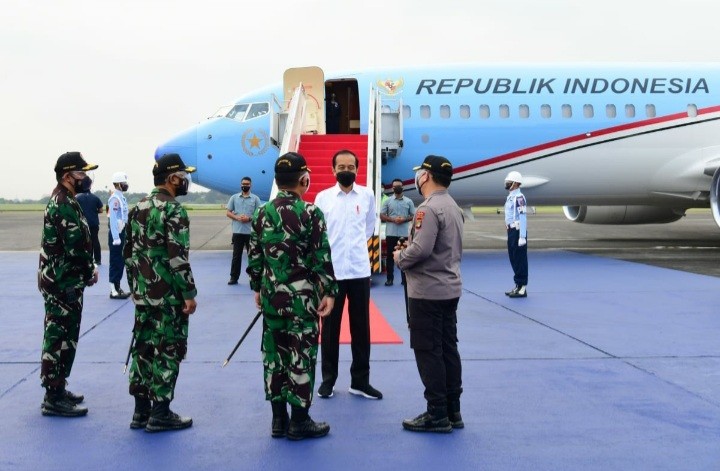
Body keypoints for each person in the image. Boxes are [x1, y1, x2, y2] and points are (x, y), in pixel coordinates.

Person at [247, 152, 338, 440]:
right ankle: (300, 421)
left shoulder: (261, 213)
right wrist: (330, 292)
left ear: (276, 180)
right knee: (301, 356)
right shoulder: (310, 213)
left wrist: (258, 289)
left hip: (272, 299)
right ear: (304, 179)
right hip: (303, 302)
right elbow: (321, 257)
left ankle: (278, 420)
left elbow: (254, 258)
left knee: (275, 356)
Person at [123, 153, 198, 433]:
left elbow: (128, 253)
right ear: (172, 179)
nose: (185, 180)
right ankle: (161, 412)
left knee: (143, 349)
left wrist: (135, 289)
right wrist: (188, 292)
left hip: (144, 294)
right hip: (168, 296)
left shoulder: (138, 207)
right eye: (183, 175)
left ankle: (140, 412)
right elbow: (177, 257)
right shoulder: (174, 210)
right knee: (168, 349)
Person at [394, 155, 464, 433]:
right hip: (449, 287)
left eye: (420, 173)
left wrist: (401, 256)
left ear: (427, 176)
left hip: (427, 291)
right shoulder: (453, 206)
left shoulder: (429, 209)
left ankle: (436, 413)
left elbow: (421, 250)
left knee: (428, 351)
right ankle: (452, 409)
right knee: (448, 348)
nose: (418, 178)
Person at [314, 149, 382, 400]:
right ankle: (328, 381)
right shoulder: (323, 198)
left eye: (350, 166)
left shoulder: (367, 195)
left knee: (361, 329)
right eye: (341, 166)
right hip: (331, 274)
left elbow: (368, 228)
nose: (346, 170)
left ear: (357, 169)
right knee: (329, 329)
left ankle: (360, 381)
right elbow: (319, 235)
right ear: (333, 170)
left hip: (359, 271)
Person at [38, 151, 99, 417]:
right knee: (58, 337)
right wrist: (89, 270)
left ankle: (59, 387)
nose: (86, 178)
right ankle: (53, 395)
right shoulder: (62, 202)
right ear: (67, 176)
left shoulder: (68, 201)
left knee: (67, 337)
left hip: (66, 280)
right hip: (62, 282)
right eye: (81, 173)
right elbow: (75, 245)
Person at [226, 176, 261, 285]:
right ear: (241, 185)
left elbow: (259, 214)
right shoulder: (234, 197)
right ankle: (234, 277)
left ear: (250, 185)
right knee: (236, 256)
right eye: (243, 184)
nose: (245, 186)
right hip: (238, 232)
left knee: (253, 257)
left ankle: (254, 278)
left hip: (250, 232)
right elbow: (228, 212)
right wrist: (237, 218)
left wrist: (249, 218)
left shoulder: (255, 199)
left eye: (247, 184)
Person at [380, 178, 415, 286]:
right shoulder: (387, 201)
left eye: (399, 186)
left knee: (404, 257)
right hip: (391, 233)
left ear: (402, 187)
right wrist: (393, 220)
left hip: (404, 234)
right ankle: (389, 279)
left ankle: (405, 280)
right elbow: (382, 215)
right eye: (395, 186)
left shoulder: (409, 201)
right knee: (390, 257)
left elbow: (413, 216)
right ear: (392, 188)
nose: (397, 188)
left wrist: (403, 219)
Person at [503, 170, 528, 298]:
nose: (507, 184)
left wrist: (522, 236)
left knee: (520, 259)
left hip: (518, 231)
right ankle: (518, 285)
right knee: (513, 258)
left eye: (509, 182)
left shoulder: (519, 198)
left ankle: (522, 287)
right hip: (511, 231)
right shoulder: (511, 196)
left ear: (516, 184)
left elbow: (522, 216)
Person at [108, 172, 131, 299]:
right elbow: (113, 219)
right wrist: (116, 237)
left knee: (120, 260)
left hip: (122, 231)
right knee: (115, 260)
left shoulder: (121, 197)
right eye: (123, 183)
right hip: (116, 233)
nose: (125, 185)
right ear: (117, 184)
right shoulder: (114, 199)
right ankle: (113, 290)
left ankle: (117, 286)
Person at [75, 175, 103, 265]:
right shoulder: (95, 198)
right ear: (90, 186)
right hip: (94, 223)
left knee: (84, 241)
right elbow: (101, 210)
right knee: (95, 240)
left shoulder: (77, 198)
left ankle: (88, 259)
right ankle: (98, 259)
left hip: (83, 224)